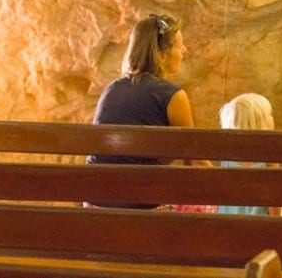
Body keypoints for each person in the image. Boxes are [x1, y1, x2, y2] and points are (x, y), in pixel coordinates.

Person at [86, 13, 203, 208]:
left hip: (95, 203)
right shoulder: (173, 96)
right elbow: (195, 162)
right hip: (140, 207)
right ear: (163, 53)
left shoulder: (112, 88)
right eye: (179, 44)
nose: (184, 50)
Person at [215, 93, 280, 216]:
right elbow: (273, 195)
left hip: (227, 222)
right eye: (269, 115)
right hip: (259, 226)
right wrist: (276, 221)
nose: (272, 118)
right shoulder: (269, 157)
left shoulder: (227, 155)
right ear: (260, 123)